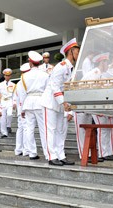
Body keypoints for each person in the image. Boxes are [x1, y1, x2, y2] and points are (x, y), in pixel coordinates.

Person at [40, 38, 79, 166]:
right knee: (50, 130)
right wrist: (63, 102)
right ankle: (51, 156)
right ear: (71, 51)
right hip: (51, 102)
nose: (79, 53)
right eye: (77, 51)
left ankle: (61, 155)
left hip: (61, 103)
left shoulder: (72, 68)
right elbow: (54, 86)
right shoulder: (61, 67)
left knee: (61, 130)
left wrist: (68, 106)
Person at [16, 51, 49, 160]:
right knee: (43, 129)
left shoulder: (24, 76)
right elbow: (48, 91)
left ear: (30, 62)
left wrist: (22, 109)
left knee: (29, 129)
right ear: (39, 63)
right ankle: (47, 153)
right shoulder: (45, 75)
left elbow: (22, 94)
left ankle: (32, 153)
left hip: (28, 102)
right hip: (41, 101)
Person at [13, 62, 31, 157]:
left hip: (21, 109)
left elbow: (16, 98)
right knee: (25, 129)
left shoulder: (19, 83)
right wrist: (23, 109)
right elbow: (23, 97)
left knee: (20, 129)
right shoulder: (24, 82)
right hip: (24, 109)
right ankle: (25, 150)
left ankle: (18, 149)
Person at [0, 68, 16, 137]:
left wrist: (14, 103)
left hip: (9, 101)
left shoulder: (13, 85)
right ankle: (4, 132)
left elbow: (15, 94)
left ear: (10, 76)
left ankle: (8, 126)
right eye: (6, 75)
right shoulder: (0, 84)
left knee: (9, 114)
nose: (7, 77)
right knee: (2, 118)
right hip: (3, 101)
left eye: (8, 75)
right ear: (4, 76)